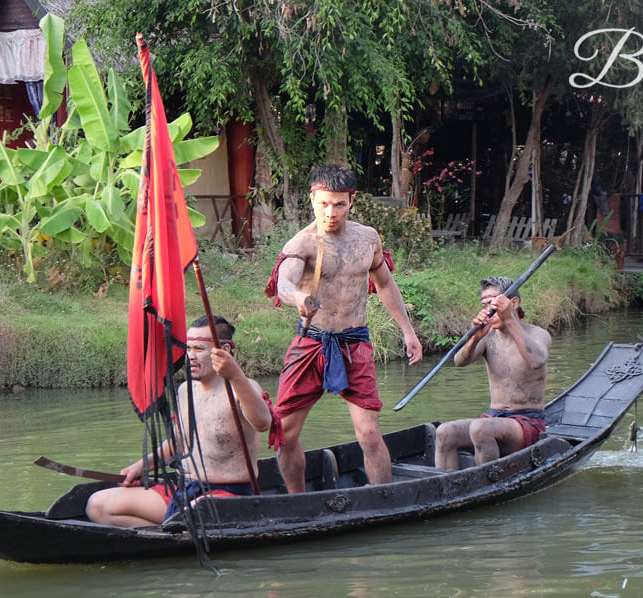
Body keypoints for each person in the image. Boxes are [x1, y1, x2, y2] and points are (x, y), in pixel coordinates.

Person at [265, 163, 423, 493]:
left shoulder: (367, 238)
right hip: (311, 342)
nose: (331, 212)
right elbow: (284, 282)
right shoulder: (303, 243)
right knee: (285, 432)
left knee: (368, 433)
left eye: (339, 204)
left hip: (354, 341)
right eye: (323, 203)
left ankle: (384, 500)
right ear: (312, 199)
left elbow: (385, 284)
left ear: (351, 201)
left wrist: (408, 331)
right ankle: (298, 503)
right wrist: (298, 298)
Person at [86, 316, 280, 527]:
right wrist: (142, 466)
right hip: (185, 488)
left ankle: (175, 529)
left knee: (193, 514)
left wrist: (236, 375)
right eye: (188, 349)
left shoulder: (243, 387)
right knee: (97, 505)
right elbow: (178, 442)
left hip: (227, 495)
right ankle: (165, 535)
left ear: (223, 350)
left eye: (199, 348)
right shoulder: (185, 390)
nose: (191, 357)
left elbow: (263, 423)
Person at [434, 276, 551, 470]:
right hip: (494, 417)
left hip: (527, 421)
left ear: (513, 303)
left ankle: (488, 484)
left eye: (494, 303)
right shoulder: (488, 337)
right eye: (485, 304)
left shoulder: (537, 334)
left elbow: (536, 361)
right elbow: (460, 362)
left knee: (480, 429)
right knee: (444, 432)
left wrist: (508, 318)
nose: (488, 310)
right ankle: (446, 488)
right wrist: (474, 337)